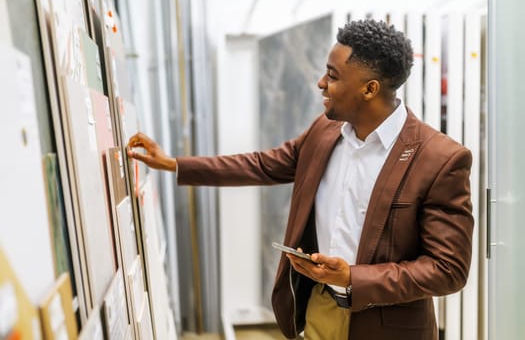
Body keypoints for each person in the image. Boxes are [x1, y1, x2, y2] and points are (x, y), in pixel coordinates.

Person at [127, 19, 473, 340]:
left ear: (369, 89)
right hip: (320, 307)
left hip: (387, 326)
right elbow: (262, 165)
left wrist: (353, 277)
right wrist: (173, 164)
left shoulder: (440, 158)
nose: (321, 83)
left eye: (333, 76)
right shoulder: (325, 131)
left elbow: (447, 269)